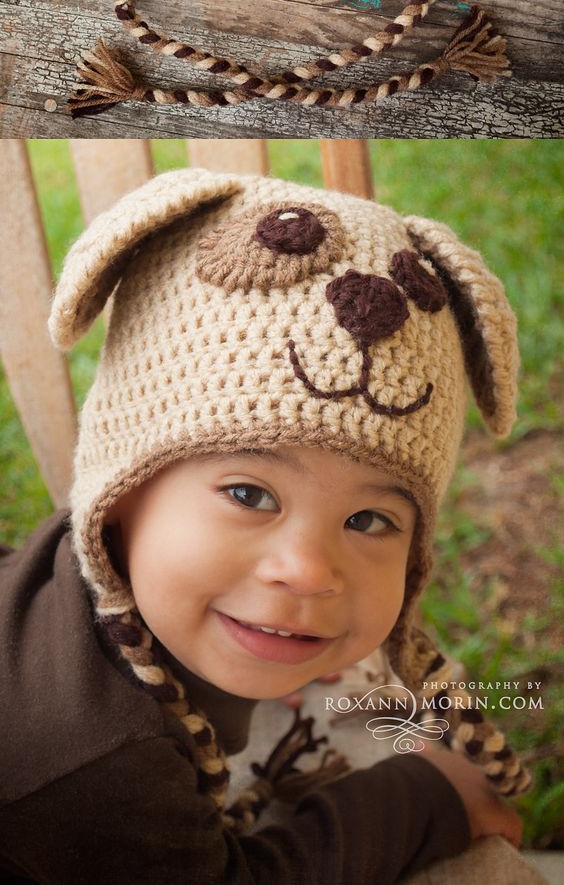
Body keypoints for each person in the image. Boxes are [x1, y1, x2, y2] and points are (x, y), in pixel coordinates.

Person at [0, 168, 539, 884]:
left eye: (369, 517)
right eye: (250, 493)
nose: (309, 569)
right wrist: (425, 793)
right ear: (119, 492)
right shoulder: (93, 758)